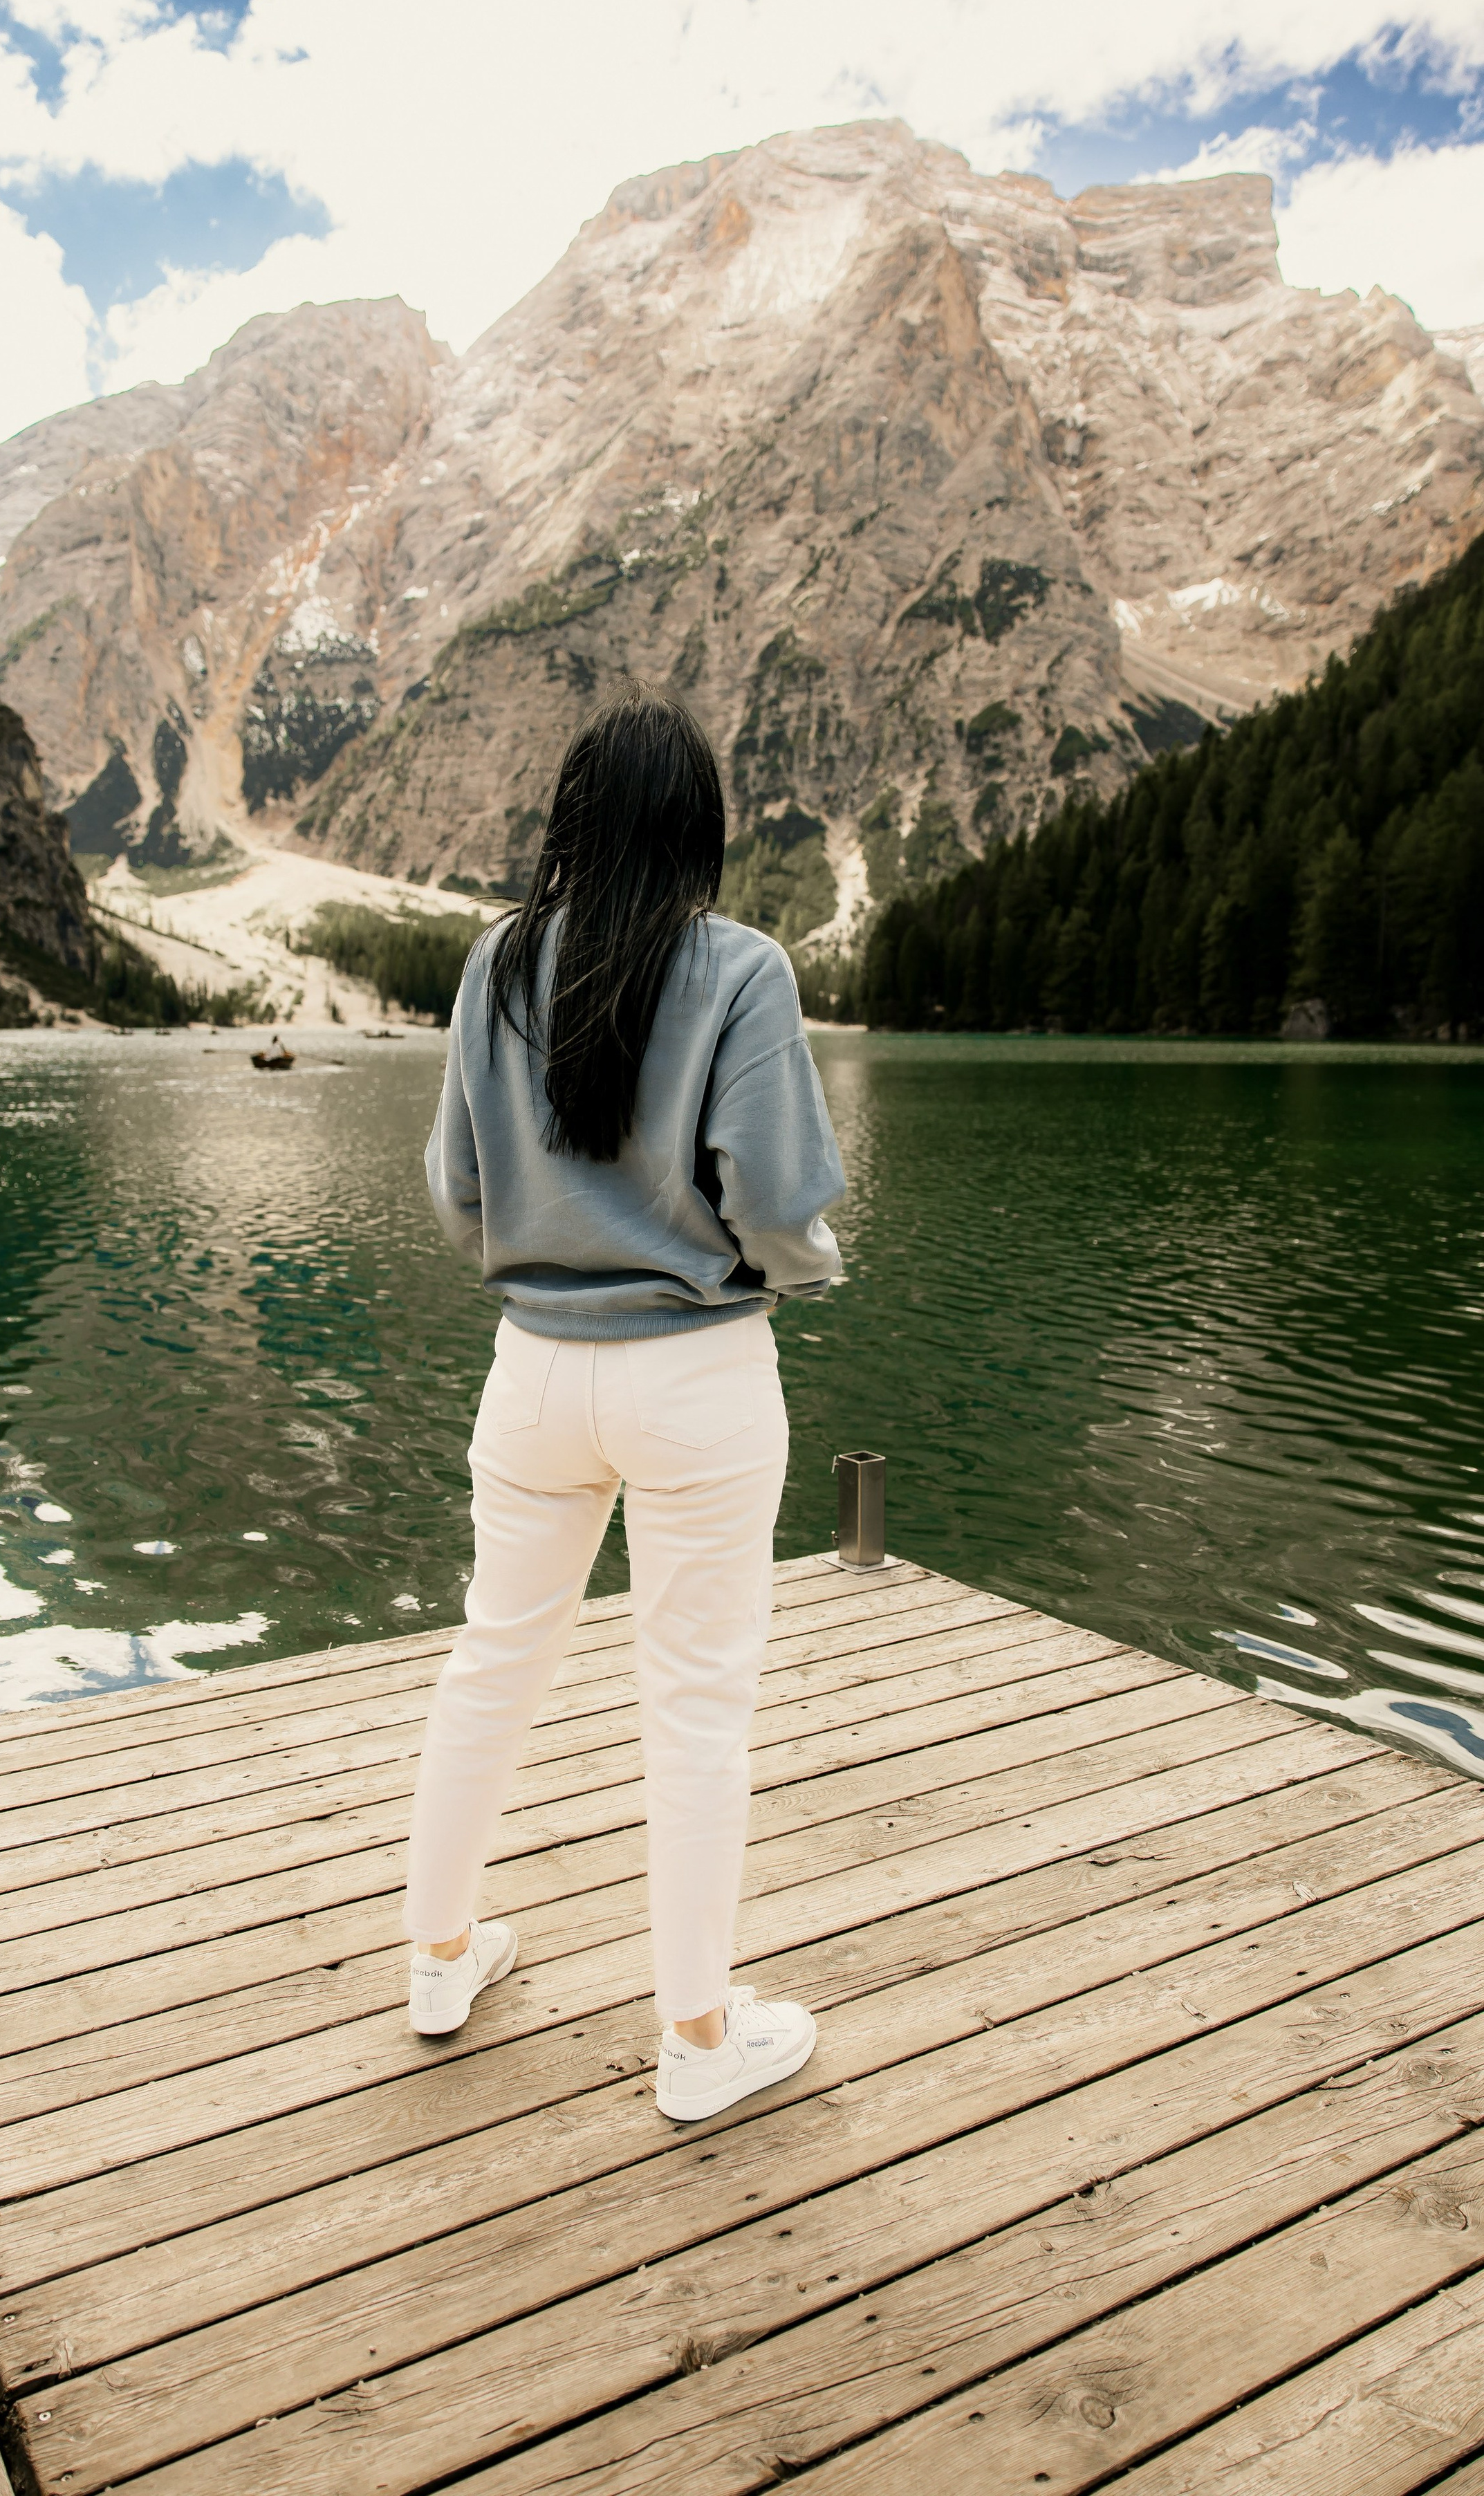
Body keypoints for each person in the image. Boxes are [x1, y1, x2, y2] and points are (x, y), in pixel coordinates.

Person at [406, 681, 846, 2123]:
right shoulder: (741, 971)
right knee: (696, 1707)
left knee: (489, 1663)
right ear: (698, 831)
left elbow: (455, 1186)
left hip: (530, 1370)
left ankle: (438, 1958)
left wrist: (536, 1267)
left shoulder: (493, 963)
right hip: (697, 1377)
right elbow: (775, 1202)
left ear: (572, 824)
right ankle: (699, 2041)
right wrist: (799, 1268)